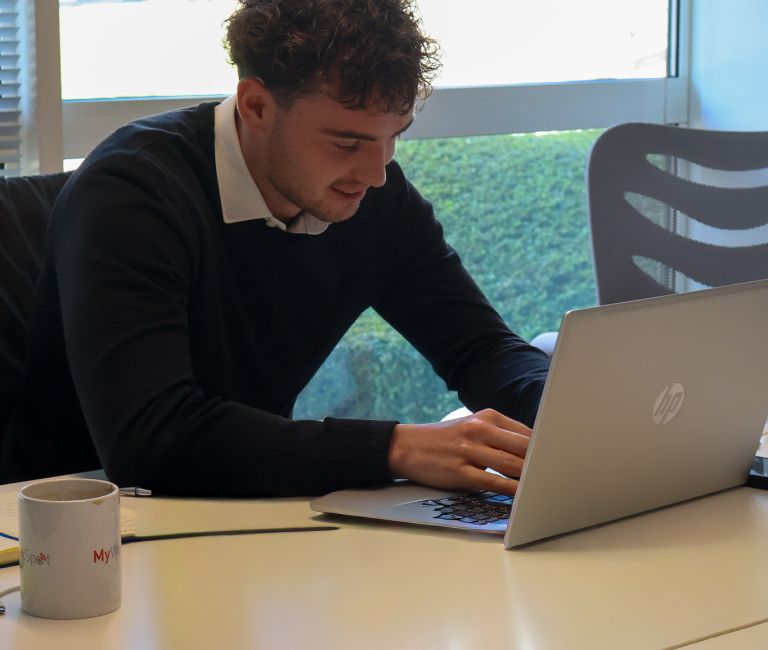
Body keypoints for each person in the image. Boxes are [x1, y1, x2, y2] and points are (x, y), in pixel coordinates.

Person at [1, 0, 549, 496]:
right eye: (347, 142)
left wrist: (568, 408)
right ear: (256, 105)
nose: (377, 174)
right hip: (80, 526)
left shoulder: (375, 201)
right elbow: (151, 438)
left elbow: (481, 350)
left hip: (249, 515)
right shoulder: (130, 193)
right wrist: (396, 447)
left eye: (393, 136)